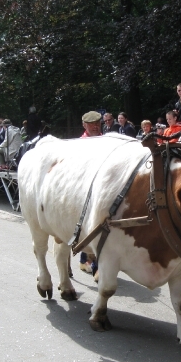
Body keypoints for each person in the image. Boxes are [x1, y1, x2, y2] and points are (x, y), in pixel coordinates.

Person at [78, 111, 102, 276]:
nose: (95, 126)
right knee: (88, 227)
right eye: (91, 124)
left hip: (103, 190)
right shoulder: (81, 143)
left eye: (97, 123)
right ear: (84, 125)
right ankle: (87, 261)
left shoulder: (106, 141)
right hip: (85, 192)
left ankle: (92, 262)